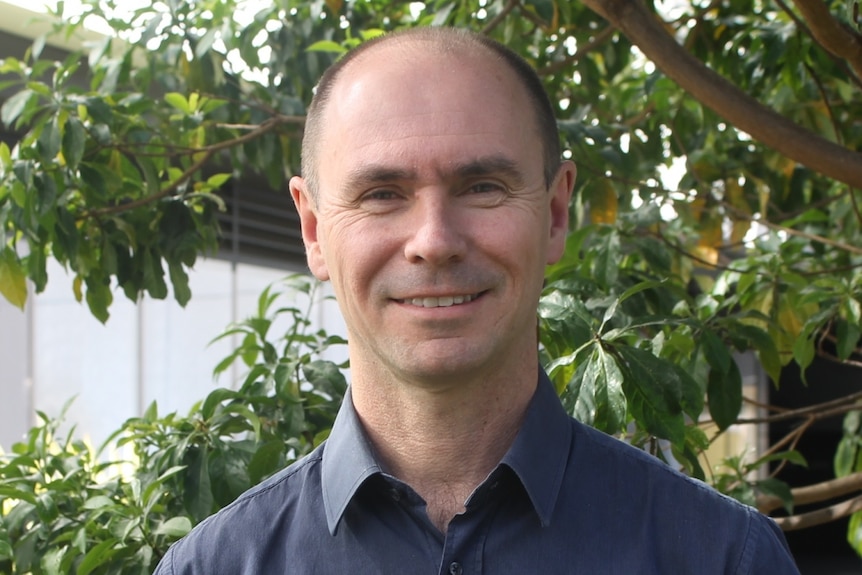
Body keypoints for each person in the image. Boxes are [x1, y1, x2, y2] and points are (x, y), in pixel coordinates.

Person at [154, 27, 799, 574]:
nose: (434, 241)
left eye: (483, 186)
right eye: (381, 194)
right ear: (315, 230)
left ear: (553, 213)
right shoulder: (212, 567)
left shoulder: (723, 559)